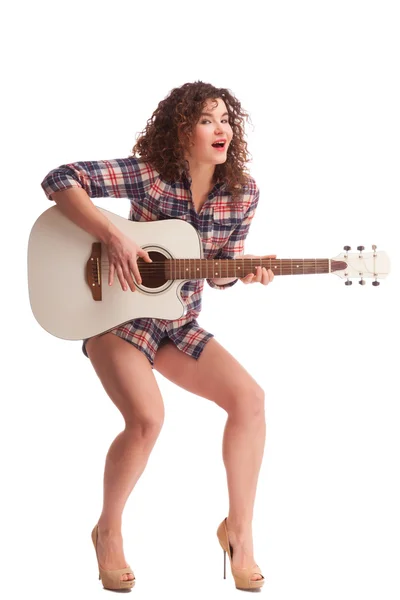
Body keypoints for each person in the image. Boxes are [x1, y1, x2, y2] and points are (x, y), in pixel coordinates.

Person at [40, 80, 275, 591]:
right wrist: (115, 237)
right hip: (115, 316)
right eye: (208, 120)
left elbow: (216, 273)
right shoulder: (150, 176)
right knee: (146, 419)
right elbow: (60, 178)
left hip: (177, 322)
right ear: (180, 130)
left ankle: (239, 533)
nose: (223, 130)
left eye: (226, 120)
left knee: (250, 400)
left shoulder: (243, 193)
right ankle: (108, 531)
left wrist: (246, 269)